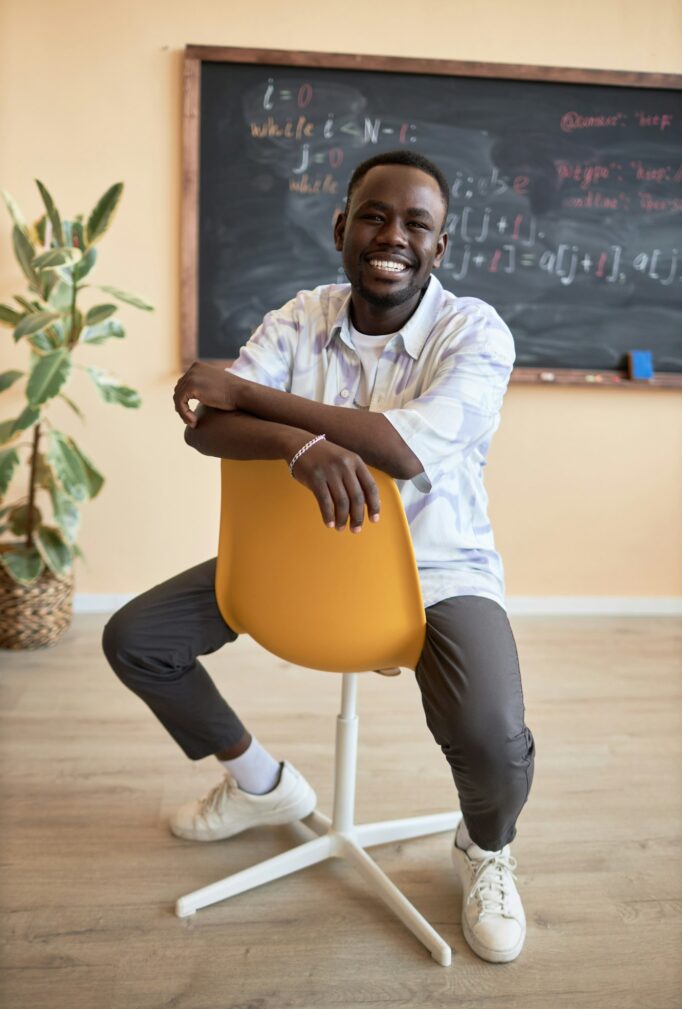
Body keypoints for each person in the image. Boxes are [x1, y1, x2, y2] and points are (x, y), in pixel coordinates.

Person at [102, 149, 536, 965]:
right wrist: (302, 450)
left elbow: (399, 450)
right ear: (341, 227)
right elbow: (206, 423)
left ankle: (486, 849)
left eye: (417, 224)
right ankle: (264, 785)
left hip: (435, 570)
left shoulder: (476, 332)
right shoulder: (303, 313)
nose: (392, 235)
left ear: (441, 248)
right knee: (137, 639)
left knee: (490, 736)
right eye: (374, 215)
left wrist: (255, 397)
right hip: (297, 559)